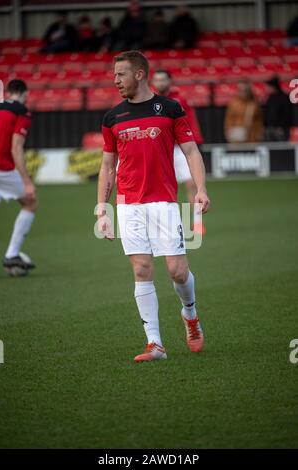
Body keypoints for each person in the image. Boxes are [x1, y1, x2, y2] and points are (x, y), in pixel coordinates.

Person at [97, 51, 210, 363]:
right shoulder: (112, 117)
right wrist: (101, 209)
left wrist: (200, 189)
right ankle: (155, 343)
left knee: (177, 271)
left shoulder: (170, 109)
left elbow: (191, 152)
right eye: (114, 74)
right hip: (128, 204)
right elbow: (107, 166)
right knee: (142, 269)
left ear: (139, 74)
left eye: (120, 74)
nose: (115, 80)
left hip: (164, 202)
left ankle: (191, 315)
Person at [152, 69, 205, 234]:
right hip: (160, 149)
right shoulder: (148, 100)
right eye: (157, 80)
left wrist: (196, 140)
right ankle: (164, 225)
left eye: (163, 79)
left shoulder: (180, 99)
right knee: (160, 188)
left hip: (180, 148)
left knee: (191, 184)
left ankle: (196, 223)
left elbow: (190, 122)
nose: (160, 82)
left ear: (170, 81)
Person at [0, 80, 37, 274]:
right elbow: (16, 148)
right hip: (3, 169)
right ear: (24, 93)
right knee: (30, 202)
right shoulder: (21, 111)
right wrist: (27, 181)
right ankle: (12, 253)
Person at [264, 76, 292, 142]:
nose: (266, 89)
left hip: (281, 129)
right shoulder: (270, 98)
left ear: (273, 87)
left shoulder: (285, 98)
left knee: (281, 149)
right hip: (270, 128)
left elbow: (287, 115)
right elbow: (267, 113)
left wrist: (282, 127)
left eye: (268, 87)